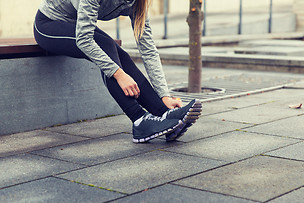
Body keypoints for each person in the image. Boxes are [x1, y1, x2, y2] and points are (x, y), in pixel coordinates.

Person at [33, 0, 201, 143]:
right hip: (48, 24)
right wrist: (119, 74)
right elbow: (84, 40)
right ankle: (139, 120)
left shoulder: (137, 2)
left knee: (119, 52)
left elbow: (148, 49)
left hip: (74, 23)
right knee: (105, 46)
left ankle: (164, 113)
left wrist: (164, 96)